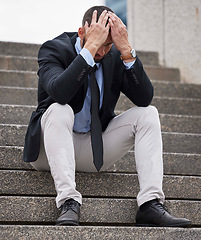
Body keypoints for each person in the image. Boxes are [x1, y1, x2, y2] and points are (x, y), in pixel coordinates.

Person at [23, 5, 191, 227]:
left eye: (108, 45)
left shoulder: (113, 55)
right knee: (59, 108)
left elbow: (144, 98)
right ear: (82, 32)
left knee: (148, 114)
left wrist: (126, 50)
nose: (102, 52)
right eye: (99, 44)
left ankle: (150, 203)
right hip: (49, 149)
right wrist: (90, 49)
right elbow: (59, 92)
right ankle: (68, 201)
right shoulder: (53, 50)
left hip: (94, 150)